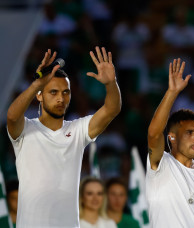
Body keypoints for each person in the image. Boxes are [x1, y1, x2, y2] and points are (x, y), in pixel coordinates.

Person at [6, 47, 121, 227]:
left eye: (65, 92)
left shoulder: (78, 130)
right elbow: (12, 117)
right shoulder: (25, 129)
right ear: (39, 96)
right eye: (53, 92)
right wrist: (36, 83)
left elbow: (112, 109)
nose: (61, 98)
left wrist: (111, 83)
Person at [146, 58, 194, 227]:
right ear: (172, 137)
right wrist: (172, 92)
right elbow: (154, 133)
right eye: (189, 133)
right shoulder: (159, 163)